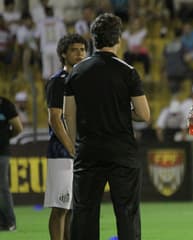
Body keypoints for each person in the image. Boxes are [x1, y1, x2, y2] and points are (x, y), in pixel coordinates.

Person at [63, 13, 150, 240]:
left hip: (88, 151)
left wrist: (75, 145)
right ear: (118, 39)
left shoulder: (76, 72)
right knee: (127, 213)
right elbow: (144, 114)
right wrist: (122, 112)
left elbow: (67, 114)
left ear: (93, 40)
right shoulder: (127, 71)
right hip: (122, 152)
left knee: (84, 213)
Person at [44, 33, 87, 240]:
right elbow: (55, 118)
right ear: (63, 54)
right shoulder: (57, 82)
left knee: (71, 208)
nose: (79, 54)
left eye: (82, 50)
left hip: (78, 151)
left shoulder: (82, 80)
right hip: (62, 152)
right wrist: (71, 147)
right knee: (60, 207)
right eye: (74, 50)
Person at [0, 96, 23, 231]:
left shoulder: (5, 104)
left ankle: (9, 221)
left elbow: (18, 128)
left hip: (1, 152)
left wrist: (5, 139)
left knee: (2, 187)